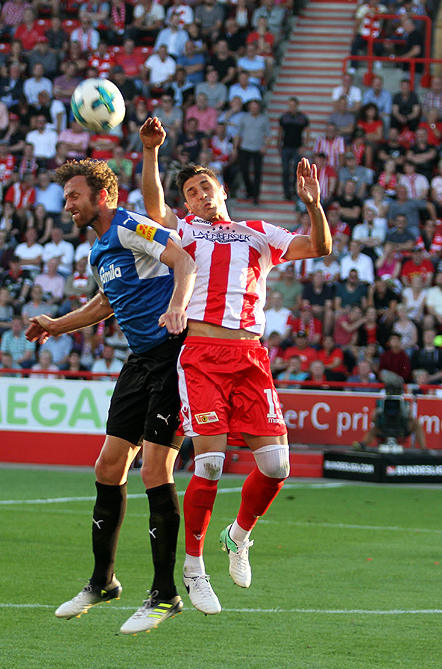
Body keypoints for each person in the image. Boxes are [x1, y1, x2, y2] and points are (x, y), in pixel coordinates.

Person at [140, 117, 330, 614]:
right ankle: (194, 568)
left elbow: (319, 247)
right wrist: (151, 152)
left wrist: (313, 206)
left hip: (250, 357)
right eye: (191, 192)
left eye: (206, 186)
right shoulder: (184, 230)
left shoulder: (258, 233)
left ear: (221, 190)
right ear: (187, 204)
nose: (200, 195)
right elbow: (152, 206)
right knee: (210, 462)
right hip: (202, 356)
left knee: (277, 466)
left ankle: (239, 535)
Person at [25, 158, 196, 636]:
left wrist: (178, 307)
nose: (67, 205)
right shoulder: (99, 250)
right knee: (108, 467)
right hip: (140, 361)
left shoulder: (129, 224)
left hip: (173, 356)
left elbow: (184, 260)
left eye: (74, 196)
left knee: (156, 470)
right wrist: (55, 324)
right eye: (66, 197)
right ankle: (103, 582)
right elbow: (105, 303)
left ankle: (165, 595)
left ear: (101, 196)